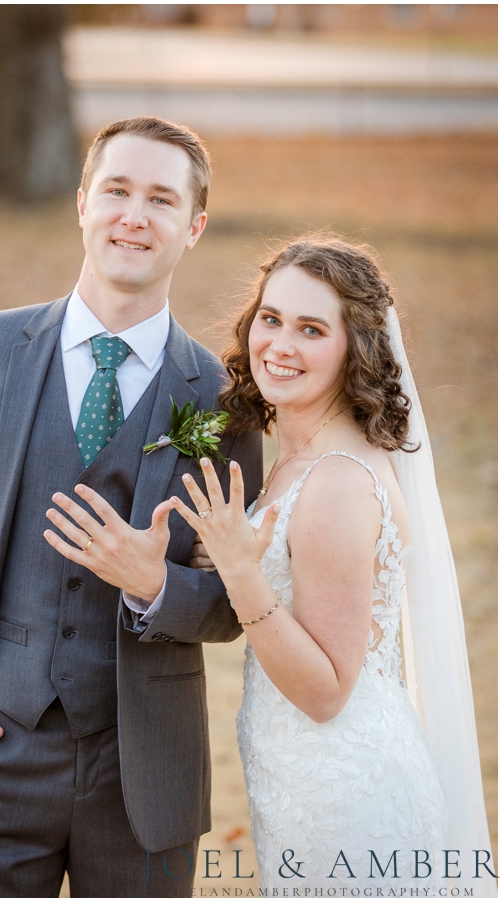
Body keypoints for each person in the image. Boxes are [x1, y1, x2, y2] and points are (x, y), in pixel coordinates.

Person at [0, 116, 262, 896]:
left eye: (162, 199)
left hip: (146, 777)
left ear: (193, 226)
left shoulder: (224, 403)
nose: (135, 215)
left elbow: (237, 602)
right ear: (82, 204)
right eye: (118, 191)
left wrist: (156, 583)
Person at [174, 235, 494, 894]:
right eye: (272, 318)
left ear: (357, 349)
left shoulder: (339, 480)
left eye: (311, 329)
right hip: (299, 787)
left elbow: (326, 689)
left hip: (347, 798)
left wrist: (240, 571)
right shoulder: (296, 458)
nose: (280, 345)